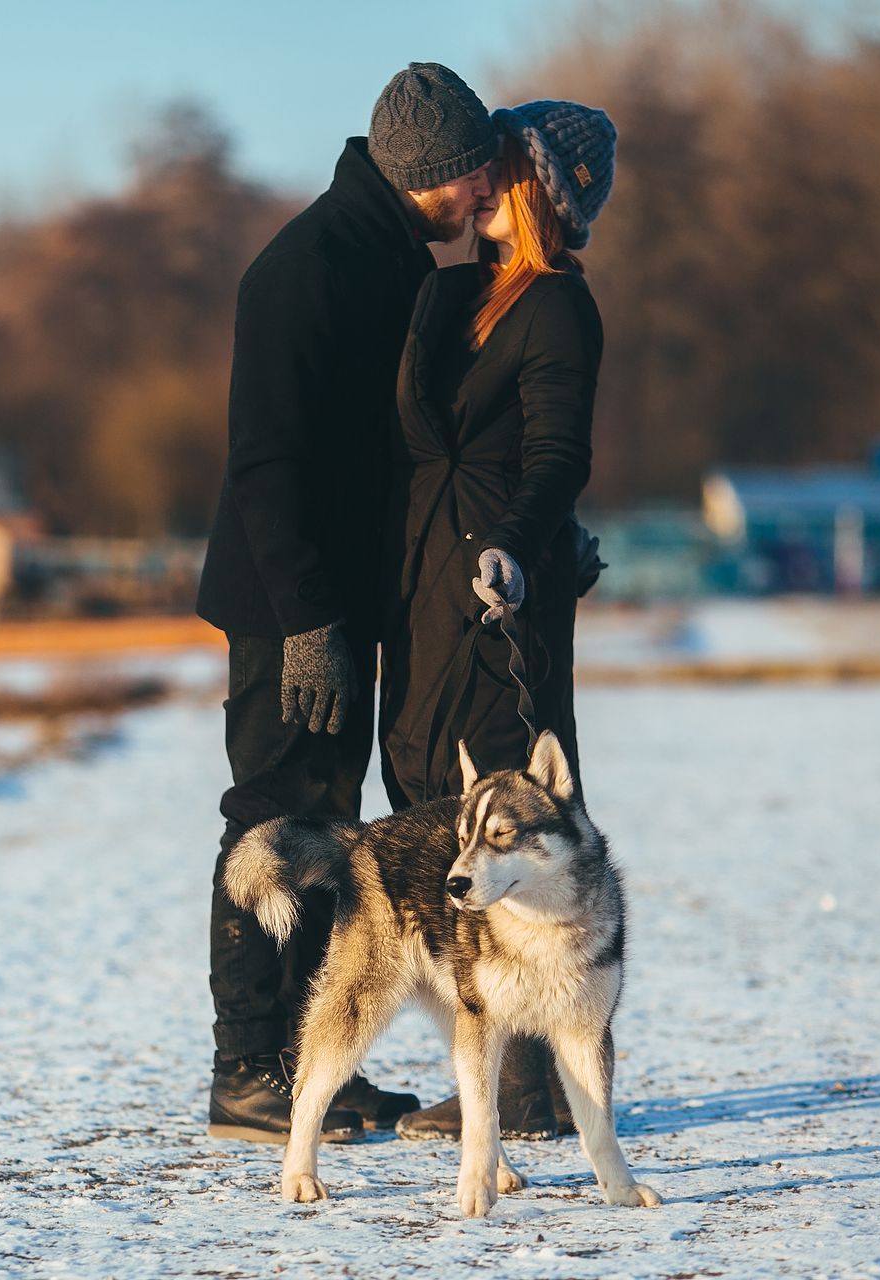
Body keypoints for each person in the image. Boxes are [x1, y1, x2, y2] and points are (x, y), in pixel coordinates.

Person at [195, 63, 502, 1143]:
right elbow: (266, 464)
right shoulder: (308, 270)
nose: (484, 198)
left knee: (329, 829)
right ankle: (247, 1072)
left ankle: (307, 1063)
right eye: (475, 177)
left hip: (333, 601)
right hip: (289, 605)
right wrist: (311, 622)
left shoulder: (386, 258)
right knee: (269, 820)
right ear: (434, 172)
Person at [377, 100, 617, 1141]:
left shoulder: (559, 305)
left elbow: (560, 452)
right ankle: (495, 1063)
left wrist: (522, 543)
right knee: (423, 778)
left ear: (539, 187)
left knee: (498, 800)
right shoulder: (463, 292)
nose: (479, 178)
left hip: (498, 585)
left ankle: (527, 1084)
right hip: (431, 571)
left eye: (501, 163)